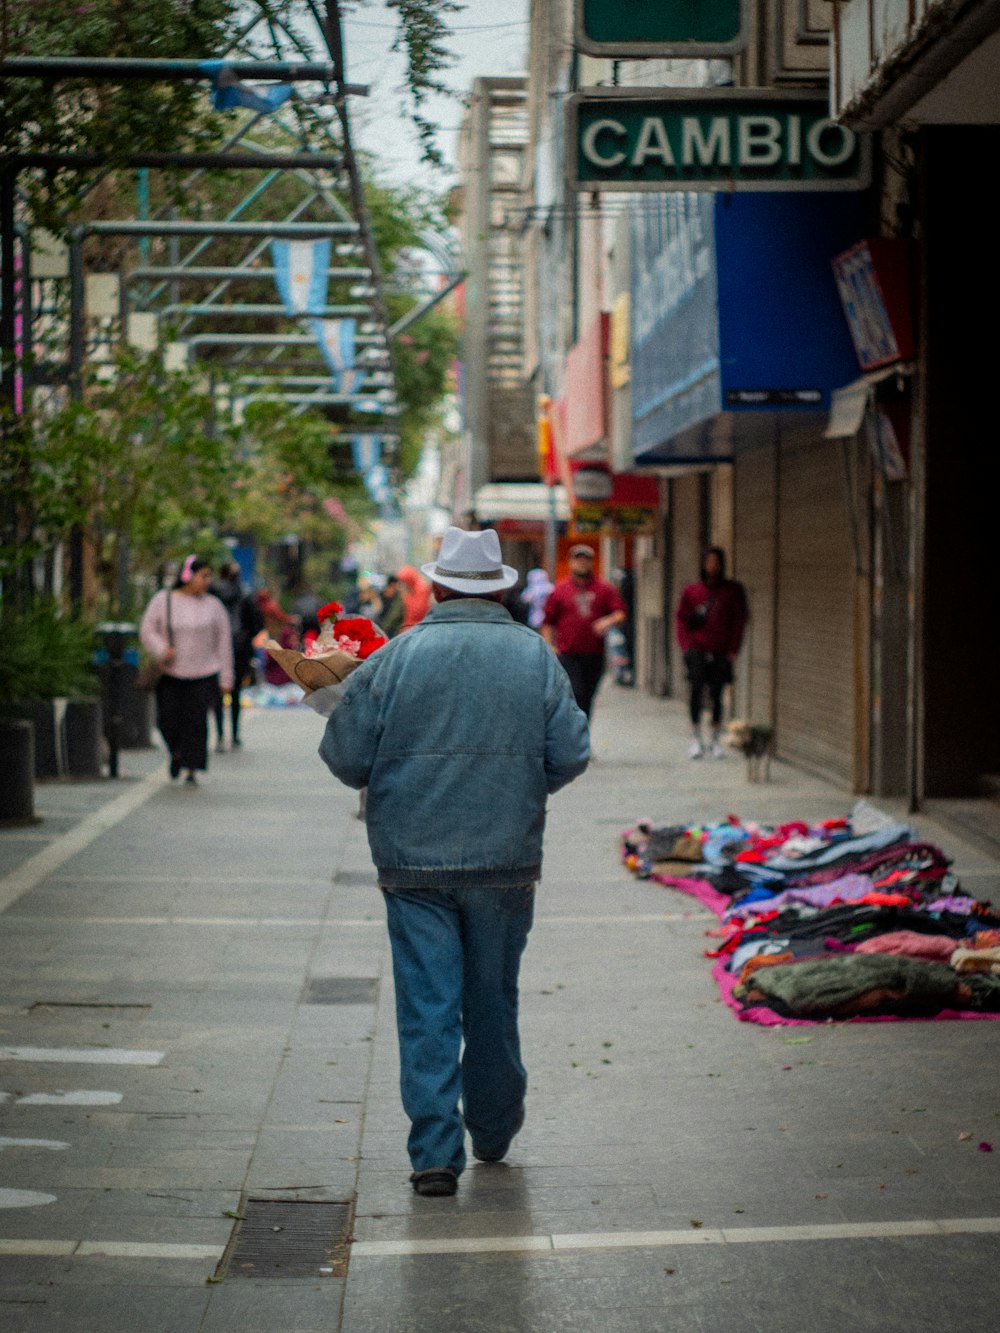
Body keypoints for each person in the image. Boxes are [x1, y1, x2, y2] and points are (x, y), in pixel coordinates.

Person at [314, 526, 589, 1198]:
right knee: (492, 996)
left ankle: (435, 1153)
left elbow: (344, 756)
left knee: (428, 1001)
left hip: (413, 863)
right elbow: (572, 751)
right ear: (499, 589)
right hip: (505, 860)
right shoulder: (535, 656)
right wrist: (521, 788)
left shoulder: (397, 657)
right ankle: (492, 1128)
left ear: (435, 587)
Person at [139, 555, 234, 785]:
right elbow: (147, 630)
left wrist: (226, 678)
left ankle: (191, 767)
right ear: (187, 576)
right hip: (171, 673)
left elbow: (223, 642)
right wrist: (162, 650)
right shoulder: (164, 600)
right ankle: (177, 753)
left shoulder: (214, 606)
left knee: (196, 723)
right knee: (167, 720)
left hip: (204, 673)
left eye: (209, 576)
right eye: (203, 575)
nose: (207, 581)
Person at [675, 546, 749, 760]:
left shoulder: (732, 591)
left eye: (716, 562)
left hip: (721, 651)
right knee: (696, 691)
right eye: (708, 561)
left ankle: (715, 739)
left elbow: (739, 621)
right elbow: (681, 618)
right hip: (697, 649)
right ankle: (696, 738)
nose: (712, 566)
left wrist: (733, 649)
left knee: (717, 694)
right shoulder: (692, 591)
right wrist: (686, 645)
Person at [541, 544, 627, 720]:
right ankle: (576, 736)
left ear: (591, 562)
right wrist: (550, 645)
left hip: (594, 654)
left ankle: (582, 734)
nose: (581, 563)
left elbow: (620, 614)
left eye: (585, 559)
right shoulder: (560, 589)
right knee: (575, 693)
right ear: (571, 563)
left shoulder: (604, 588)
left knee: (587, 695)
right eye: (578, 559)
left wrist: (607, 621)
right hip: (568, 654)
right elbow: (548, 621)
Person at [209, 561, 264, 750]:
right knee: (236, 692)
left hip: (215, 648)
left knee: (217, 693)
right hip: (240, 648)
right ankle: (234, 735)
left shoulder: (214, 594)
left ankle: (219, 735)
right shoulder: (246, 593)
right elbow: (257, 622)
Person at [396, 564, 431, 632]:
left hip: (416, 629)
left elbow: (417, 612)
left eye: (404, 581)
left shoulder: (422, 589)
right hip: (409, 628)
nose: (402, 584)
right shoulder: (409, 590)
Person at [378, 574, 405, 638]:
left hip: (391, 630)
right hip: (380, 627)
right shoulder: (380, 595)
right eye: (391, 587)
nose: (393, 589)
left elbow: (394, 615)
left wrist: (383, 628)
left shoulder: (398, 598)